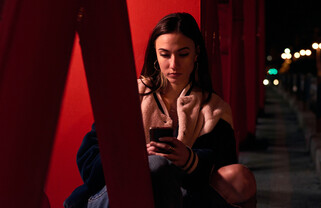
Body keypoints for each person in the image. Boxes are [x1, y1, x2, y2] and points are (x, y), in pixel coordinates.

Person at [64, 12, 256, 208]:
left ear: (196, 53)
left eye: (183, 54)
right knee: (156, 165)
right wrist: (138, 159)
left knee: (240, 178)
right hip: (120, 195)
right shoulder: (130, 97)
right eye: (165, 54)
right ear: (155, 54)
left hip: (182, 196)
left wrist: (191, 159)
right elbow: (89, 162)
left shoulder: (214, 109)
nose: (174, 65)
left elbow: (226, 169)